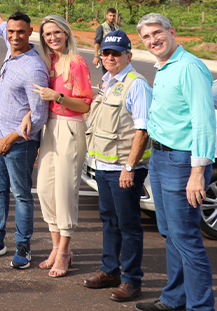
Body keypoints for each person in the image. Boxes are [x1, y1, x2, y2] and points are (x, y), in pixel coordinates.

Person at [135, 13, 216, 311]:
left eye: (157, 32)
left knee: (186, 237)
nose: (153, 40)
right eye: (146, 37)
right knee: (170, 234)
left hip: (181, 162)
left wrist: (197, 173)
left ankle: (200, 307)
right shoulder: (164, 66)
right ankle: (174, 299)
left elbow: (203, 122)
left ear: (171, 32)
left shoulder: (189, 67)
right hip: (161, 158)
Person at [0, 12, 48, 270]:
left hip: (18, 142)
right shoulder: (11, 47)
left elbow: (38, 115)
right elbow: (4, 28)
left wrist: (10, 138)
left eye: (21, 32)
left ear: (30, 33)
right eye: (11, 32)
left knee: (21, 195)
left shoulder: (34, 68)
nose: (14, 36)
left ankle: (23, 246)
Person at [82, 30, 151, 303]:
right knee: (109, 220)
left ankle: (131, 280)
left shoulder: (137, 85)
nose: (110, 57)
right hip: (103, 166)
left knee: (129, 225)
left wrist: (130, 167)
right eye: (106, 53)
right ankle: (110, 270)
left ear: (128, 56)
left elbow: (142, 131)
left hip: (123, 169)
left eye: (116, 53)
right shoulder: (108, 81)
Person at [29, 15, 93, 278]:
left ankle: (64, 251)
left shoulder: (75, 62)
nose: (52, 37)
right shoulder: (49, 62)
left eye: (56, 32)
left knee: (65, 191)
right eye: (47, 34)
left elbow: (85, 105)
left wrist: (58, 97)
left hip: (70, 126)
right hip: (49, 127)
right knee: (46, 189)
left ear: (66, 33)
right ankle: (56, 247)